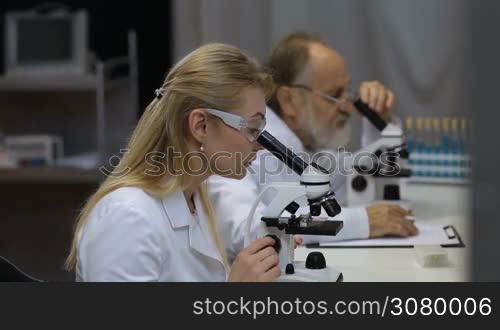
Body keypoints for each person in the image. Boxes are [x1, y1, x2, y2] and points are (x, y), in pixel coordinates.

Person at [65, 43, 281, 282]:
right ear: (201, 126)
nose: (260, 144)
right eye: (252, 128)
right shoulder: (128, 217)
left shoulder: (197, 201)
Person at [209, 32, 418, 262]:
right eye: (334, 95)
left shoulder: (308, 146)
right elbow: (249, 230)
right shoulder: (242, 147)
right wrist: (362, 221)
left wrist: (380, 121)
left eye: (347, 92)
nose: (347, 107)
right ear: (289, 100)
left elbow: (381, 172)